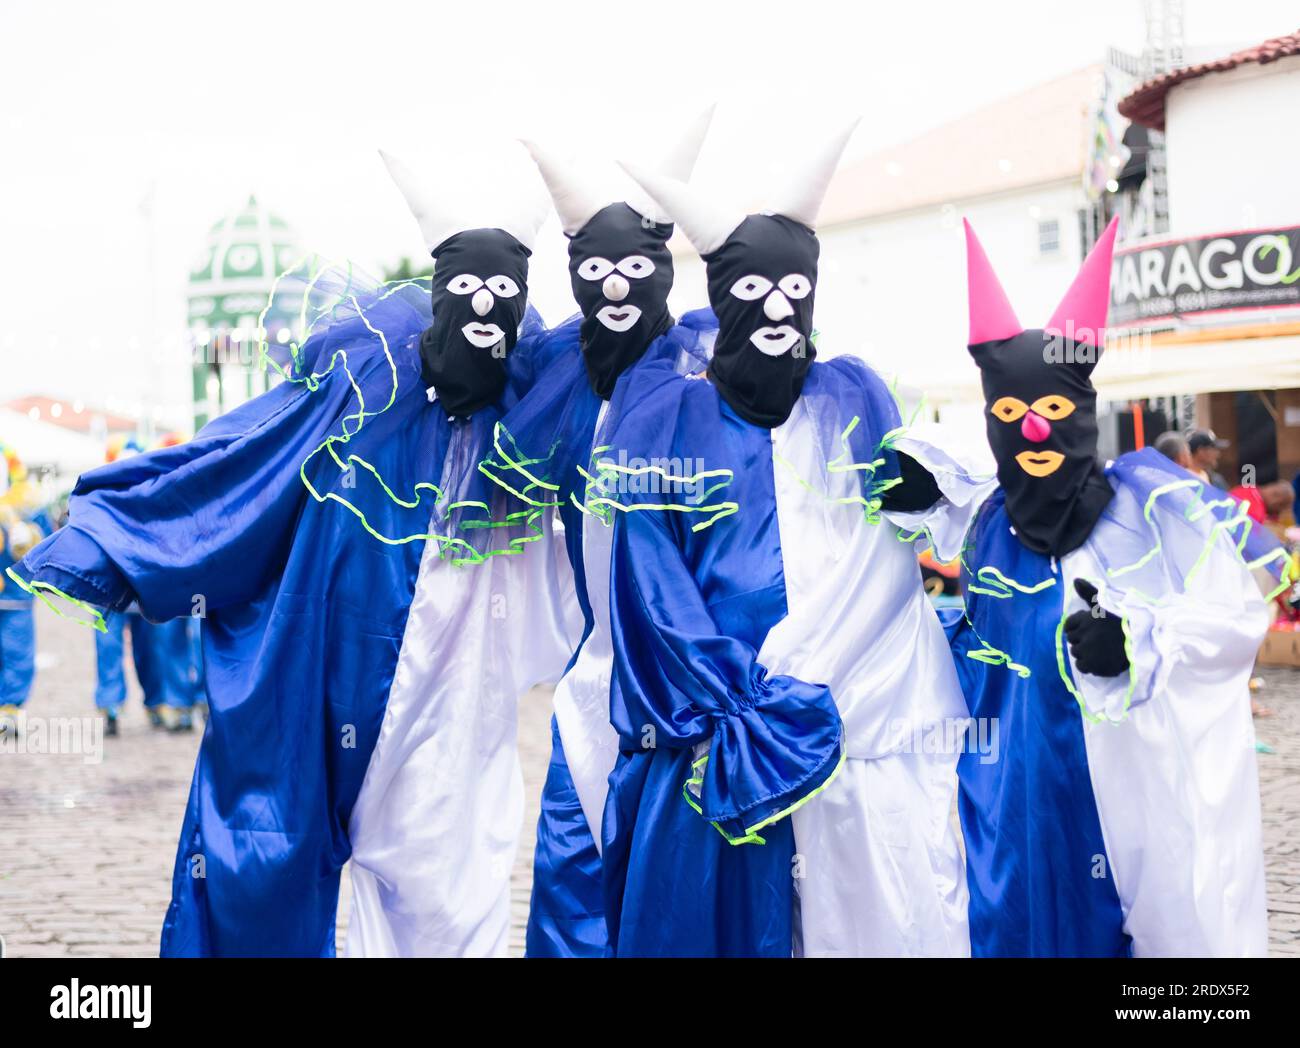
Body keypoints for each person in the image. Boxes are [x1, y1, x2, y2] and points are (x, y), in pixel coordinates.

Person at [10, 147, 577, 956]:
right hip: (329, 671)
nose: (482, 317)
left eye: (501, 299)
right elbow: (240, 463)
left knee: (451, 899)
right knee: (267, 866)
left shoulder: (529, 406)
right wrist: (116, 540)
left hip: (459, 696)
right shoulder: (361, 391)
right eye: (467, 294)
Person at [588, 126, 994, 956]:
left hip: (867, 727)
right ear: (723, 298)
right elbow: (647, 581)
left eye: (795, 288)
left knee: (876, 915)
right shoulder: (669, 422)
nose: (778, 308)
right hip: (726, 738)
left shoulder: (853, 394)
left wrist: (925, 488)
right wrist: (731, 700)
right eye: (756, 289)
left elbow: (943, 498)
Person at [947, 218, 1272, 957]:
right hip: (1012, 798)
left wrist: (1140, 642)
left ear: (1082, 411)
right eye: (1011, 415)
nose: (1032, 432)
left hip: (1121, 793)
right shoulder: (984, 520)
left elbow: (1232, 622)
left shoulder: (1148, 515)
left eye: (1053, 412)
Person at [503, 114, 720, 958]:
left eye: (638, 269)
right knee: (572, 858)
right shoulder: (558, 374)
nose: (619, 288)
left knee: (675, 874)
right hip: (593, 679)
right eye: (597, 272)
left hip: (691, 674)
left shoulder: (708, 370)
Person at [0, 447, 46, 737]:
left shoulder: (27, 504)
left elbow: (42, 542)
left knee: (16, 652)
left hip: (15, 597)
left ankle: (10, 710)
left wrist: (26, 536)